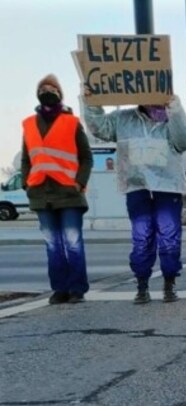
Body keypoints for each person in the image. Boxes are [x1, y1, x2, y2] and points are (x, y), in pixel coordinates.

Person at [82, 91, 186, 304]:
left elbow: (185, 140)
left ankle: (169, 281)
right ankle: (142, 284)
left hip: (168, 186)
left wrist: (175, 107)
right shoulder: (123, 119)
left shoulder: (172, 119)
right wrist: (92, 101)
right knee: (141, 237)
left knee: (169, 236)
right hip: (137, 186)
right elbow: (99, 127)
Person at [21, 74, 93, 304]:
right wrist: (26, 182)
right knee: (52, 245)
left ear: (60, 93)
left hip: (69, 193)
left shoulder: (71, 122)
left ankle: (77, 288)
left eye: (52, 87)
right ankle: (59, 289)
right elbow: (26, 159)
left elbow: (86, 157)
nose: (47, 90)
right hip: (42, 195)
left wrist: (79, 182)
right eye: (43, 88)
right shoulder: (29, 124)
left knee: (72, 242)